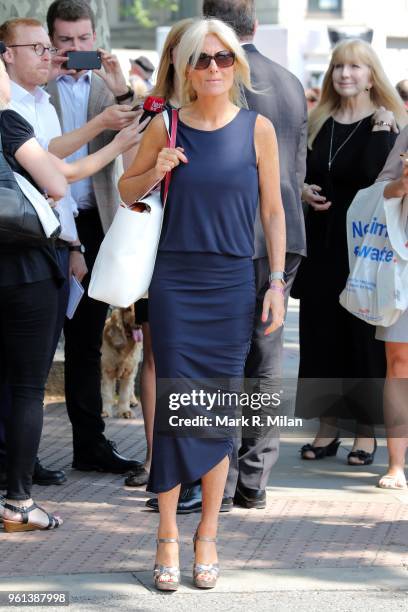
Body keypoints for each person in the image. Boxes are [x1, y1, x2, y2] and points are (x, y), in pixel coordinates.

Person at [119, 17, 285, 591]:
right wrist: (156, 166)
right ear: (184, 67)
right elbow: (125, 190)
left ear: (236, 64)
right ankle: (167, 532)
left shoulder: (258, 127)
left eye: (222, 58)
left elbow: (273, 212)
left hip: (233, 281)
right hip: (176, 281)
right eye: (201, 59)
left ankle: (207, 535)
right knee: (173, 410)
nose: (212, 68)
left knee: (214, 413)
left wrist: (278, 283)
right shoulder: (165, 125)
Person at [0, 16, 143, 490]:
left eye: (80, 41)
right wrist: (109, 139)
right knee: (25, 373)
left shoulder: (44, 97)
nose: (55, 55)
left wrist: (75, 242)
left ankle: (45, 458)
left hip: (69, 234)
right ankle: (17, 479)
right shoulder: (14, 107)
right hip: (26, 244)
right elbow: (54, 172)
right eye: (46, 45)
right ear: (8, 55)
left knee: (73, 348)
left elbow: (55, 156)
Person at [202, 0, 307, 511]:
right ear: (256, 26)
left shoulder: (221, 77)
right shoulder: (288, 81)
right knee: (265, 358)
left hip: (230, 234)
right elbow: (298, 166)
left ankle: (218, 475)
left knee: (223, 356)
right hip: (283, 237)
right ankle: (254, 479)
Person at [294, 39, 407, 464]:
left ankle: (365, 432)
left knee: (362, 339)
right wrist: (303, 190)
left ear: (371, 74)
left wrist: (383, 134)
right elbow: (299, 172)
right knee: (321, 336)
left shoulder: (386, 122)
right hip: (322, 245)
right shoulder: (317, 121)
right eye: (339, 66)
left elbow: (382, 183)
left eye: (356, 67)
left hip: (364, 247)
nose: (345, 74)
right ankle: (326, 428)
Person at [45, 0, 142, 473]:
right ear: (50, 41)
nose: (76, 49)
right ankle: (18, 452)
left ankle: (90, 444)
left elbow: (142, 136)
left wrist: (121, 87)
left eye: (84, 39)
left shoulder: (107, 88)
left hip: (95, 221)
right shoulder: (32, 85)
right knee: (37, 341)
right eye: (65, 41)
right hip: (43, 224)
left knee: (86, 339)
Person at [0, 53, 67, 531]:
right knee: (25, 389)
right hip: (24, 273)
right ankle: (18, 503)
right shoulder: (9, 123)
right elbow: (57, 183)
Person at [126, 18, 193, 491]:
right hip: (154, 247)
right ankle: (156, 459)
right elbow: (127, 183)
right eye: (188, 52)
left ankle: (199, 462)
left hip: (207, 254)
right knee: (156, 356)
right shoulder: (155, 112)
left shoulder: (231, 111)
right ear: (172, 56)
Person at [374, 131, 408, 490]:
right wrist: (400, 185)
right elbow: (380, 190)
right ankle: (396, 464)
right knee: (399, 363)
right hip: (405, 262)